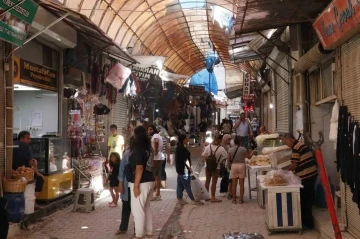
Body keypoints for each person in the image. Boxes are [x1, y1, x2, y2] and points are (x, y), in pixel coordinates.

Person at [281, 133, 318, 229]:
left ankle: (307, 224)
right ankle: (307, 222)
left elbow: (294, 165)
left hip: (307, 175)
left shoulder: (296, 148)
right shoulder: (300, 144)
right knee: (307, 198)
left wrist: (285, 174)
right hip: (311, 174)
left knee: (305, 199)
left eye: (286, 142)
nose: (286, 144)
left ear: (289, 140)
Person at [127, 126, 155, 239]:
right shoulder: (149, 148)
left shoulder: (138, 149)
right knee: (146, 208)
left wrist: (136, 186)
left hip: (141, 182)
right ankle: (149, 233)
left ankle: (138, 235)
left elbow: (139, 168)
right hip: (150, 180)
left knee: (137, 210)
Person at [13, 131, 44, 199]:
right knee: (40, 179)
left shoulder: (13, 145)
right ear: (21, 139)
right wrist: (38, 172)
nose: (29, 141)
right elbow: (31, 162)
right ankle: (34, 202)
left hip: (14, 173)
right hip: (24, 175)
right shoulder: (26, 146)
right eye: (28, 138)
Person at [175, 134, 203, 206]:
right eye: (186, 138)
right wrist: (189, 168)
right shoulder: (181, 148)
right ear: (183, 139)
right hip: (183, 170)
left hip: (180, 169)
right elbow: (185, 160)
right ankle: (193, 199)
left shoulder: (179, 147)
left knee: (180, 185)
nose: (187, 139)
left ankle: (179, 198)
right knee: (188, 185)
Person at [202, 134, 228, 203]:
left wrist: (207, 158)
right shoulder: (221, 148)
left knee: (207, 181)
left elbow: (203, 155)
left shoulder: (208, 147)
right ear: (220, 140)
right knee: (214, 182)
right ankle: (213, 197)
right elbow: (226, 157)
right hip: (216, 167)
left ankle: (206, 196)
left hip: (207, 166)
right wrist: (221, 160)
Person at [115, 137, 133, 235]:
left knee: (137, 209)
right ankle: (123, 228)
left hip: (139, 186)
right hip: (127, 185)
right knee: (126, 206)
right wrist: (120, 184)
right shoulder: (127, 154)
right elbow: (121, 171)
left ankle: (137, 231)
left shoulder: (143, 152)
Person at [229, 136, 254, 204]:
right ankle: (240, 199)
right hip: (241, 165)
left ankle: (234, 199)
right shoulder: (243, 149)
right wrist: (253, 153)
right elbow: (249, 157)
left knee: (234, 184)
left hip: (233, 166)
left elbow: (228, 159)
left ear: (234, 142)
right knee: (241, 184)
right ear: (240, 142)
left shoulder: (230, 150)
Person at [147, 125, 163, 201]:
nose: (149, 131)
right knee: (157, 176)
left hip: (155, 158)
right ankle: (158, 193)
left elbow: (156, 141)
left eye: (150, 129)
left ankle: (152, 193)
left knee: (152, 176)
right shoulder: (158, 135)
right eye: (148, 130)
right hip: (159, 158)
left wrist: (155, 151)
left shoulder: (155, 136)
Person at [219, 134, 232, 198]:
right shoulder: (222, 145)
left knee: (227, 176)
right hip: (224, 162)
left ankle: (227, 190)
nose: (229, 140)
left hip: (227, 162)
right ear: (224, 139)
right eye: (228, 139)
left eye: (230, 139)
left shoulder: (228, 145)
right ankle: (223, 190)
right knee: (225, 176)